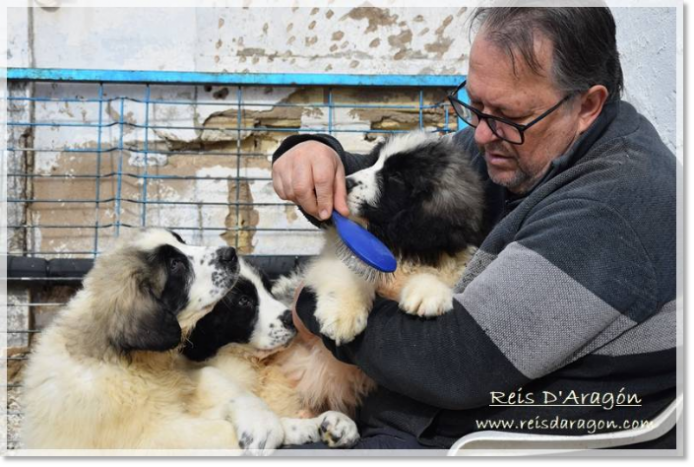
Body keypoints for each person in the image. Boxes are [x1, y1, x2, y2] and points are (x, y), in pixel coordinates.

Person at [272, 7, 677, 450]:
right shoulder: (521, 147)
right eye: (476, 105)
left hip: (475, 438)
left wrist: (315, 306)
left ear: (587, 105)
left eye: (505, 114)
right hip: (420, 408)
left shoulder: (612, 208)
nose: (481, 135)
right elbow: (402, 185)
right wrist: (315, 156)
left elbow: (454, 363)